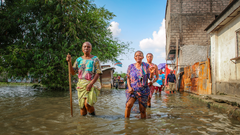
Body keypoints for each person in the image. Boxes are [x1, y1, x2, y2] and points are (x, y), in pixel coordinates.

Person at [66, 42, 102, 116]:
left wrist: (90, 83)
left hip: (92, 83)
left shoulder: (95, 59)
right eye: (85, 46)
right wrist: (69, 62)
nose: (86, 48)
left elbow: (98, 73)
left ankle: (93, 118)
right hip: (81, 84)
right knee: (82, 107)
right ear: (82, 48)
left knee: (88, 104)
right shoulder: (78, 60)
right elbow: (73, 72)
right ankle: (83, 124)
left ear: (91, 49)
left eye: (88, 47)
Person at [125, 51, 155, 119]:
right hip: (132, 90)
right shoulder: (131, 66)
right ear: (134, 57)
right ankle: (126, 123)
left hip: (143, 90)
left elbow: (150, 78)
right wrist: (129, 87)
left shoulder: (146, 66)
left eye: (140, 55)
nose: (138, 57)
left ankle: (143, 127)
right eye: (136, 55)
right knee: (128, 105)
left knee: (142, 110)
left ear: (143, 57)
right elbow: (128, 78)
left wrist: (151, 73)